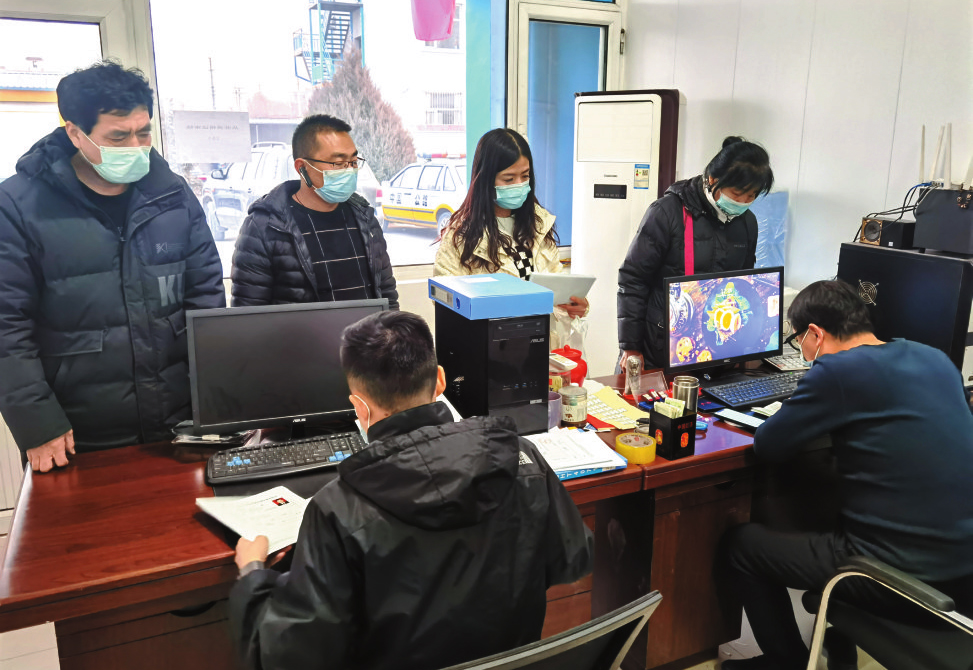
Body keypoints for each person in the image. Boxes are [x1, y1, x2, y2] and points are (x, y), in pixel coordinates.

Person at [229, 310, 594, 670]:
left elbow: (287, 657)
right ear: (440, 380)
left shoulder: (337, 508)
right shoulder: (521, 459)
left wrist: (253, 575)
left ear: (359, 407)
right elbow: (572, 559)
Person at [721, 280, 973, 670]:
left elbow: (768, 445)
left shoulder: (838, 371)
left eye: (798, 343)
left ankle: (786, 662)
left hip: (907, 582)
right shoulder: (934, 358)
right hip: (965, 576)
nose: (802, 353)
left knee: (741, 546)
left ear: (815, 334)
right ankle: (833, 640)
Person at [0, 61, 225, 473]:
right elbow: (6, 327)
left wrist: (215, 400)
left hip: (177, 422)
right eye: (118, 136)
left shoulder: (171, 195)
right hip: (76, 433)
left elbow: (206, 298)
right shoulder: (18, 206)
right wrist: (37, 422)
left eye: (144, 132)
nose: (136, 146)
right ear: (75, 133)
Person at [617, 136, 774, 370]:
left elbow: (743, 280)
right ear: (713, 179)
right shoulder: (667, 212)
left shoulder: (747, 222)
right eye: (736, 193)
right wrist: (631, 347)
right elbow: (633, 279)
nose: (742, 202)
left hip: (714, 347)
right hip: (660, 345)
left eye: (751, 196)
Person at [231, 114, 398, 308]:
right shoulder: (265, 226)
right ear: (302, 168)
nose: (349, 170)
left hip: (367, 328)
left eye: (353, 162)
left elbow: (387, 294)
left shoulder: (365, 218)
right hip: (301, 330)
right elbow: (248, 312)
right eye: (338, 163)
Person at [434, 128, 588, 319]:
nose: (519, 184)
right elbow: (445, 302)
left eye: (525, 176)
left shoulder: (539, 223)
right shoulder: (460, 236)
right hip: (492, 335)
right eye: (509, 179)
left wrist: (575, 305)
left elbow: (557, 288)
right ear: (486, 180)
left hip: (541, 334)